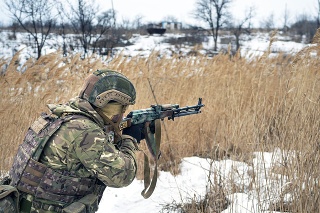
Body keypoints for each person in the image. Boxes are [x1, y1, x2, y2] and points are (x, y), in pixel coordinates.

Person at [5, 69, 145, 213]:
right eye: (120, 109)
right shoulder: (86, 131)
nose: (121, 115)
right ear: (107, 105)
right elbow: (123, 176)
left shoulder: (58, 116)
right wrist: (130, 139)